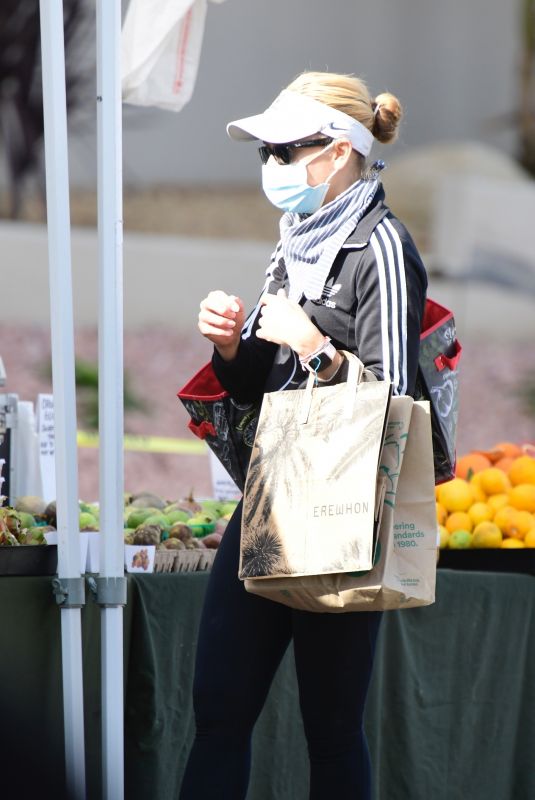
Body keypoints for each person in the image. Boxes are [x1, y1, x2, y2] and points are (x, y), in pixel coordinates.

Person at [179, 71, 428, 800]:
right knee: (218, 709)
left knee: (331, 729)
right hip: (272, 492)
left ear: (341, 148)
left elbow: (396, 401)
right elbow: (258, 384)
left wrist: (315, 348)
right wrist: (230, 345)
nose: (273, 167)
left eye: (287, 150)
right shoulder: (295, 241)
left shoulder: (381, 245)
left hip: (345, 511)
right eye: (266, 153)